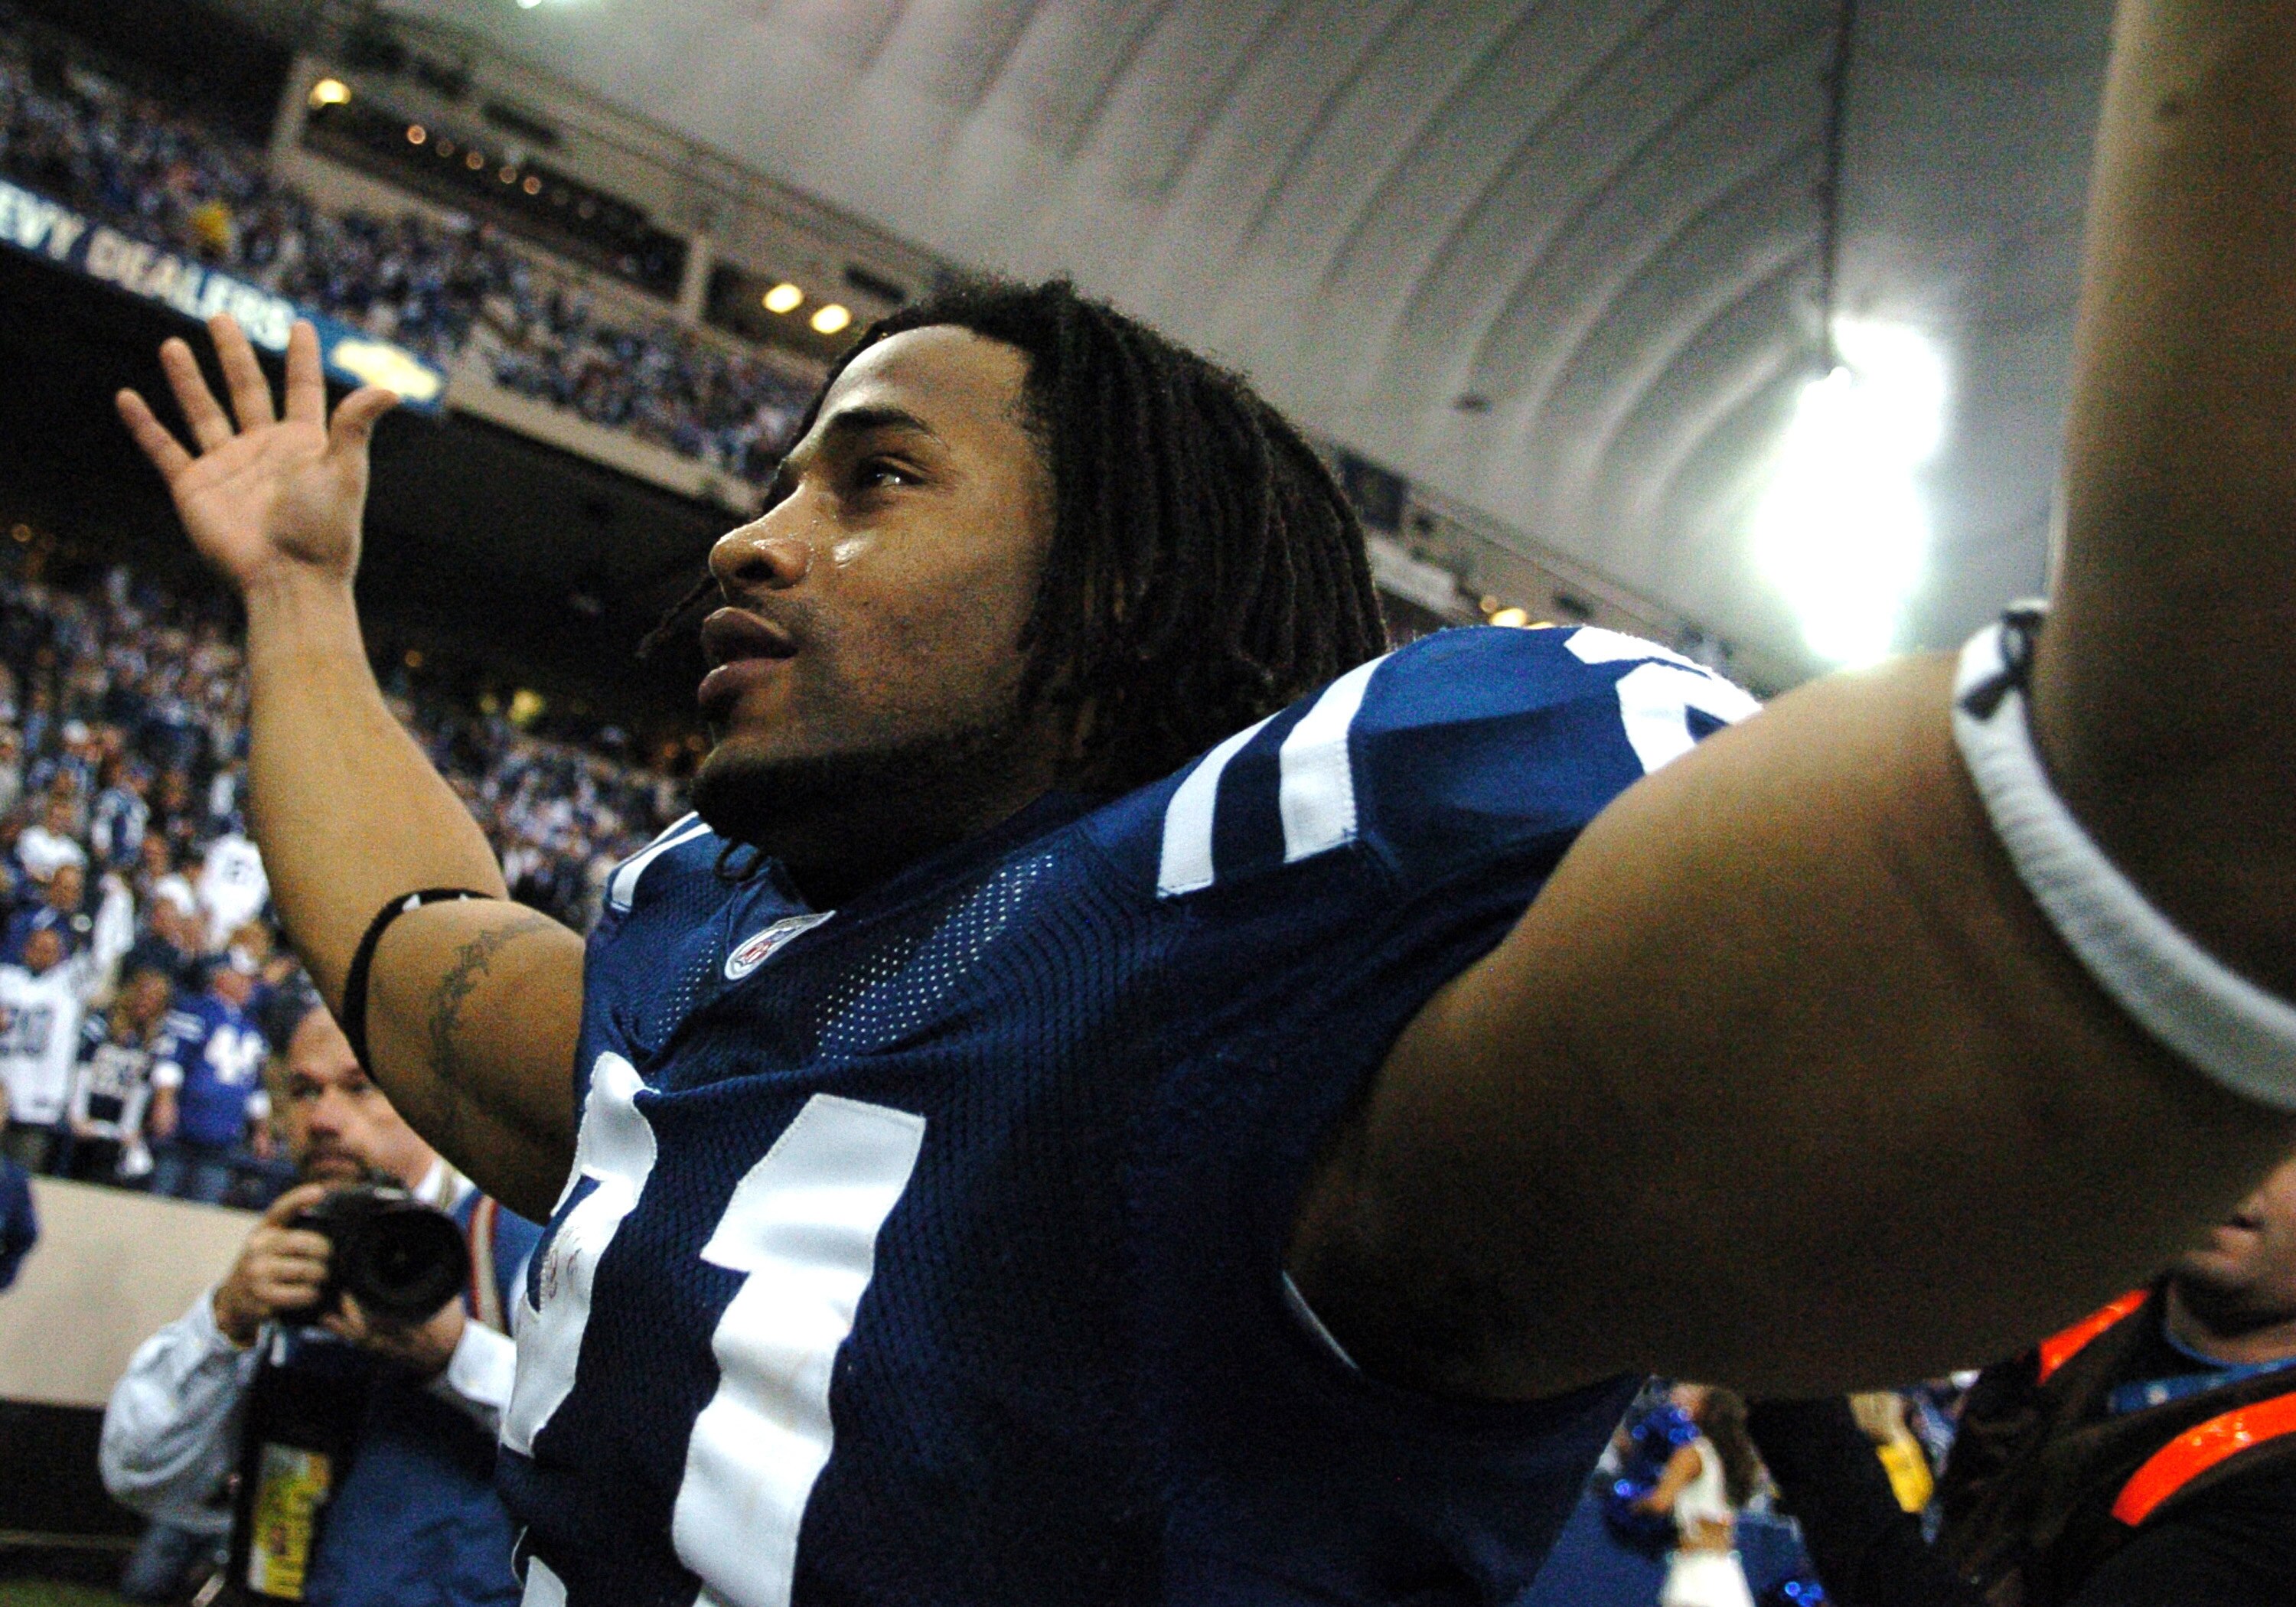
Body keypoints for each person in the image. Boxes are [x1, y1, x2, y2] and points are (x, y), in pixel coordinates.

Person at [114, 5, 2296, 1599]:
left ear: (1124, 588)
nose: (750, 540)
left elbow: (2133, 864)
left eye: (874, 477)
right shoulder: (713, 957)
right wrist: (299, 598)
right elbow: (414, 955)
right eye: (781, 478)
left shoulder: (1278, 946)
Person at [102, 999, 540, 1607]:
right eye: (304, 1091)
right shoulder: (287, 1258)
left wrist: (456, 1356)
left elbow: (622, 1449)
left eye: (361, 1088)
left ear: (434, 1101)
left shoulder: (507, 1238)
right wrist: (225, 1321)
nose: (323, 1119)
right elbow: (137, 1472)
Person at [1747, 1154, 2296, 1607]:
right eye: (2234, 1123)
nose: (2248, 1163)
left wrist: (1796, 1405)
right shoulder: (2071, 1323)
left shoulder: (2277, 1482)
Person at [145, 953, 272, 1203]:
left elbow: (255, 1083)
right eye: (242, 978)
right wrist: (165, 1102)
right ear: (221, 977)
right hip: (184, 1126)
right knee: (161, 1199)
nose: (249, 985)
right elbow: (171, 1060)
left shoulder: (250, 1025)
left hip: (224, 1133)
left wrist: (261, 1130)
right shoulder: (196, 1010)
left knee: (206, 1206)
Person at [0, 924, 99, 1172]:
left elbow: (97, 960)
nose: (41, 954)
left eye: (49, 950)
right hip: (3, 1087)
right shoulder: (6, 979)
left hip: (38, 1099)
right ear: (25, 949)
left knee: (20, 1176)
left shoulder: (68, 985)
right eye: (36, 948)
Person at [64, 959, 172, 1183]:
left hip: (118, 1123)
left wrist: (129, 1126)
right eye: (143, 995)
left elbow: (142, 1086)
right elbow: (82, 1069)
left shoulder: (155, 1038)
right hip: (88, 1114)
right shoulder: (101, 1023)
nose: (147, 1003)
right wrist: (78, 1114)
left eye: (155, 999)